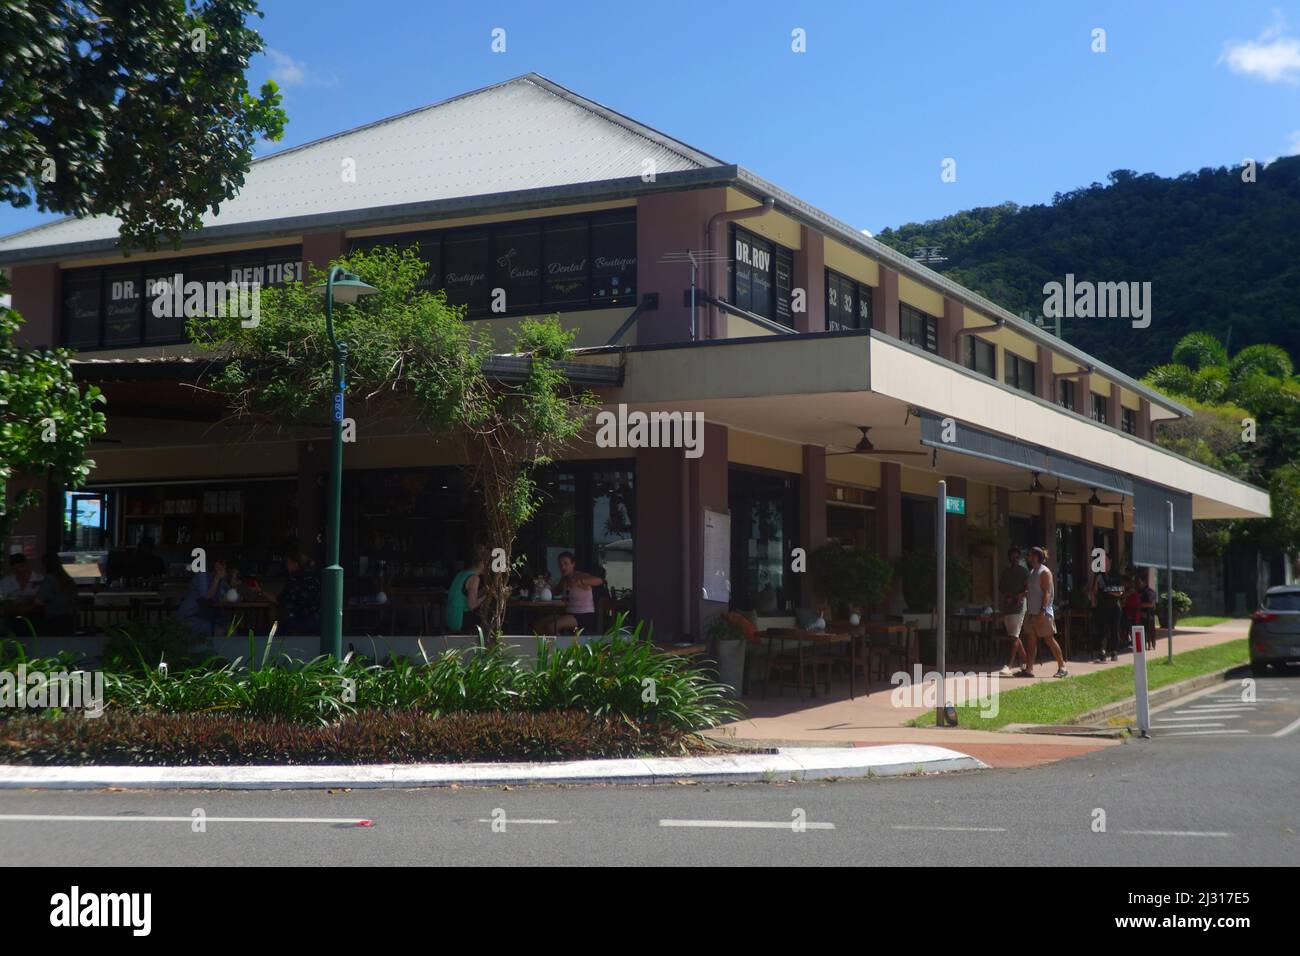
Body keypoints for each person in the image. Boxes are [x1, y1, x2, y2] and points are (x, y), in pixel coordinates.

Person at [1020, 546, 1068, 679]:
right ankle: (1029, 669)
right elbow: (1032, 591)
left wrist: (1042, 611)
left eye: (1030, 555)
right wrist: (1023, 595)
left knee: (1049, 639)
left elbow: (1047, 593)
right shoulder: (1031, 572)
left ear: (1036, 557)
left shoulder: (1044, 572)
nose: (1028, 557)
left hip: (1043, 613)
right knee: (1030, 640)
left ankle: (1062, 666)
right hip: (1031, 613)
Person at [539, 552, 603, 636]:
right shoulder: (564, 579)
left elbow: (599, 581)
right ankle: (548, 646)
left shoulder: (580, 576)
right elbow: (556, 591)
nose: (563, 567)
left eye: (566, 563)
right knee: (539, 625)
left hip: (583, 615)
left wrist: (581, 582)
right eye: (560, 564)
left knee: (552, 627)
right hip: (568, 613)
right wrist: (544, 587)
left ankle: (561, 647)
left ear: (573, 564)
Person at [262, 549, 321, 635]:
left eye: (288, 562)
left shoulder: (295, 579)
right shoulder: (316, 577)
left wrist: (260, 591)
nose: (287, 566)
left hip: (300, 622)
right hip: (320, 622)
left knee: (274, 632)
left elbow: (280, 600)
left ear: (295, 563)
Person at [177, 558, 232, 635]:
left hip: (208, 618)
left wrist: (231, 583)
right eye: (222, 563)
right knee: (221, 631)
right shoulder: (202, 575)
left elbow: (226, 597)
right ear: (214, 564)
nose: (225, 567)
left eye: (225, 564)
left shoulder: (220, 580)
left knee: (232, 630)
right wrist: (217, 578)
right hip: (191, 618)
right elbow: (206, 598)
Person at [998, 547, 1030, 678]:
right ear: (1009, 558)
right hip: (1007, 607)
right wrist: (1007, 596)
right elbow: (1001, 588)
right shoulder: (1005, 572)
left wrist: (1019, 596)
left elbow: (1028, 589)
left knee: (1014, 636)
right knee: (1013, 636)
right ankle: (1028, 662)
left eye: (1017, 557)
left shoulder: (1024, 572)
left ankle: (1009, 666)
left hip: (1019, 607)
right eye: (1012, 556)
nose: (1014, 559)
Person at [1089, 552, 1124, 663]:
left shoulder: (1116, 575)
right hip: (1102, 607)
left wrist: (1107, 590)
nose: (1104, 562)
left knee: (1114, 630)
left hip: (1114, 607)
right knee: (1103, 630)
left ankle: (1114, 652)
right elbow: (1094, 591)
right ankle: (1102, 651)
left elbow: (1120, 592)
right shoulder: (1099, 575)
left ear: (1110, 561)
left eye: (1105, 560)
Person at [35, 553, 80, 636]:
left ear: (45, 565)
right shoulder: (67, 578)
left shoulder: (50, 579)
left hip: (55, 619)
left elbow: (38, 601)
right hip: (72, 619)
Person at [445, 547, 487, 634]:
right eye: (486, 563)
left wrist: (484, 591)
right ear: (480, 562)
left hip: (450, 618)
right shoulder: (474, 578)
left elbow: (467, 596)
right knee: (487, 620)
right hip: (459, 620)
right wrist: (487, 596)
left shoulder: (461, 574)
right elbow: (472, 605)